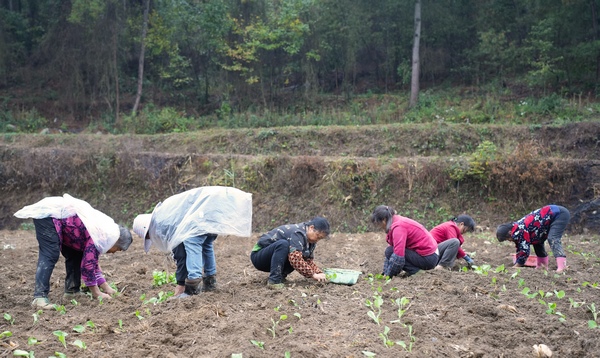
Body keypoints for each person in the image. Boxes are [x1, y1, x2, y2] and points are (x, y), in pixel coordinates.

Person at [14, 194, 132, 310]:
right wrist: (97, 293)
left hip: (63, 221)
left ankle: (72, 291)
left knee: (76, 253)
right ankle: (39, 298)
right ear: (115, 242)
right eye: (118, 249)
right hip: (50, 215)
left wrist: (106, 287)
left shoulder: (104, 236)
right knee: (50, 254)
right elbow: (88, 265)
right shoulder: (100, 236)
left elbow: (92, 262)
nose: (114, 252)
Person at [133, 186, 252, 298]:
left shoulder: (164, 223)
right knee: (206, 244)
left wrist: (181, 284)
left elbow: (181, 255)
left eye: (148, 236)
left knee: (192, 242)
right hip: (210, 211)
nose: (151, 239)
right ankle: (210, 282)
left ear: (148, 230)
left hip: (201, 215)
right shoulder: (164, 214)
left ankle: (192, 288)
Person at [250, 217, 330, 289]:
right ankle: (274, 280)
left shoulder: (311, 241)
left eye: (320, 239)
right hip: (259, 256)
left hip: (272, 260)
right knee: (284, 245)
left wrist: (319, 272)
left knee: (296, 252)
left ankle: (280, 277)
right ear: (311, 228)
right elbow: (296, 259)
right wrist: (313, 275)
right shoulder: (298, 233)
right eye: (318, 236)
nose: (317, 240)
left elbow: (307, 260)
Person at [496, 205, 571, 273]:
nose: (509, 240)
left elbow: (524, 251)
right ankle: (542, 266)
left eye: (507, 238)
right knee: (537, 241)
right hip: (550, 217)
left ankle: (562, 267)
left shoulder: (520, 231)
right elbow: (520, 247)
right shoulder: (516, 229)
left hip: (559, 214)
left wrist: (517, 266)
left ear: (509, 232)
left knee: (553, 238)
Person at [370, 205, 440, 277]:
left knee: (390, 252)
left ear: (384, 220)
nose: (379, 227)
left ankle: (417, 272)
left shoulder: (398, 227)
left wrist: (389, 276)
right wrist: (385, 272)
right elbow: (391, 250)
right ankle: (416, 270)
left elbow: (398, 257)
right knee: (389, 251)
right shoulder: (395, 221)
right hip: (430, 254)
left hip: (429, 257)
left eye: (378, 223)